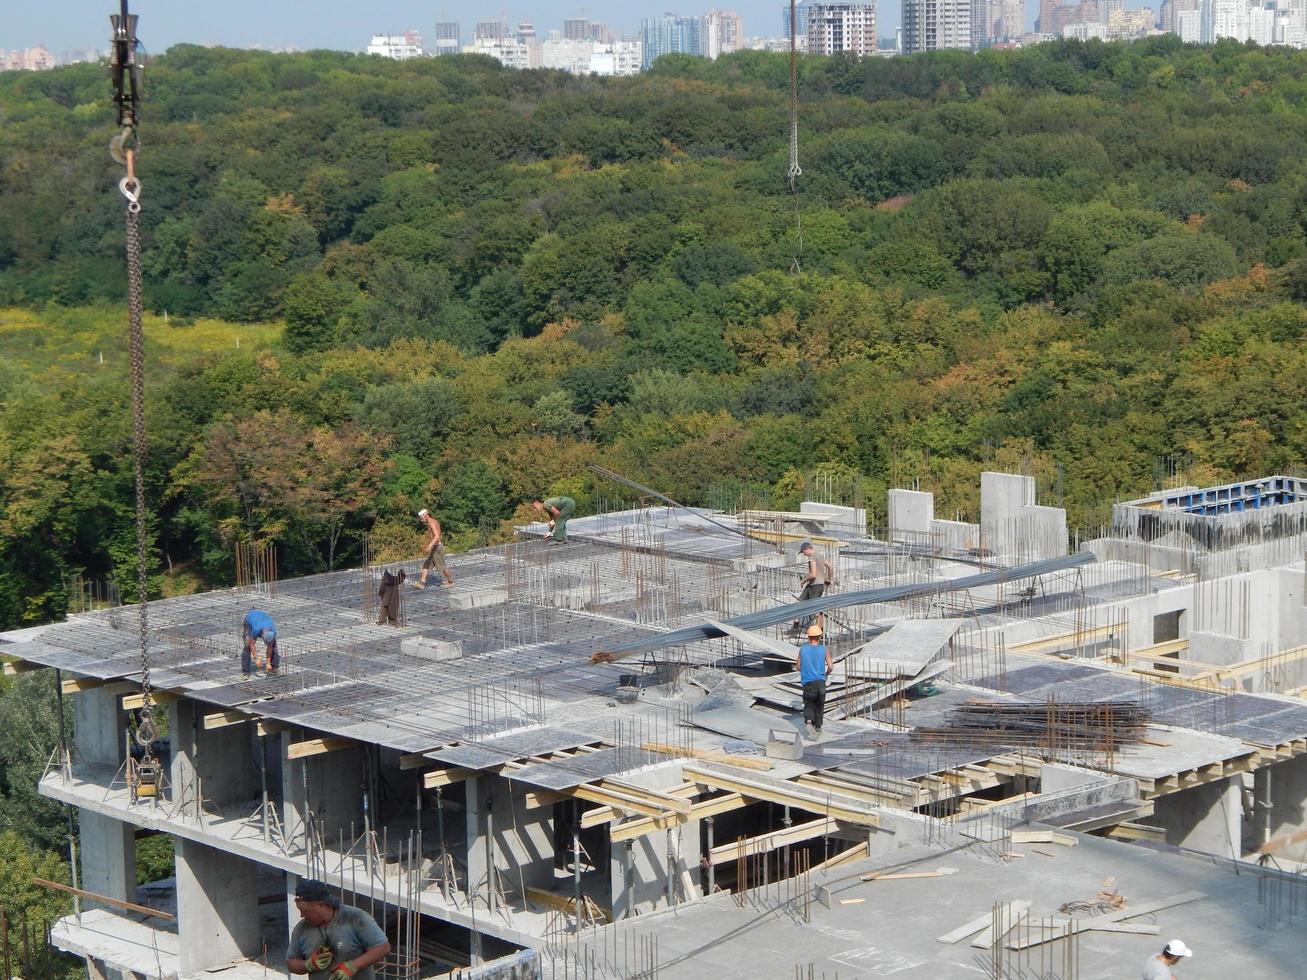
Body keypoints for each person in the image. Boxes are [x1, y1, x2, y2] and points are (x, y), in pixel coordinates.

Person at [287, 878, 391, 980]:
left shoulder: (355, 918)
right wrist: (308, 964)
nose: (301, 915)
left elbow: (383, 947)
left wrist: (352, 967)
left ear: (321, 905)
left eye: (305, 911)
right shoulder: (301, 929)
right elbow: (291, 963)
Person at [794, 623, 833, 738]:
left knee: (809, 703)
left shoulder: (803, 649)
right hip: (821, 682)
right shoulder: (824, 650)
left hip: (808, 682)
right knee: (819, 705)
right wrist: (825, 674)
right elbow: (831, 666)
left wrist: (806, 670)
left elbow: (798, 666)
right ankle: (818, 727)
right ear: (820, 637)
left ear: (808, 637)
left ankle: (809, 722)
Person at [793, 541, 833, 632]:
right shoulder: (820, 556)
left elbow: (813, 574)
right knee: (799, 603)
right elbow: (830, 567)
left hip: (814, 586)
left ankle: (814, 631)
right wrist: (829, 579)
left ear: (807, 549)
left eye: (803, 552)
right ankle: (796, 625)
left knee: (813, 609)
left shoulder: (812, 557)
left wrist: (803, 580)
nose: (804, 554)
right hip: (817, 585)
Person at [413, 509, 454, 589]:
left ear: (426, 515)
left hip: (436, 547)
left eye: (422, 518)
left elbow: (437, 536)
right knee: (427, 564)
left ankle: (451, 582)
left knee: (442, 566)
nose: (421, 520)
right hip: (435, 547)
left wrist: (430, 545)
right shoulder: (433, 521)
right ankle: (422, 583)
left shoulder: (432, 523)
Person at [241, 609, 279, 678]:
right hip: (250, 619)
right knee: (247, 645)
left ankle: (273, 667)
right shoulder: (256, 629)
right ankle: (245, 672)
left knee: (273, 646)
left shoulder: (273, 631)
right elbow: (252, 644)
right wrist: (257, 658)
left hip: (263, 618)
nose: (267, 644)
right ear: (262, 635)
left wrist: (268, 662)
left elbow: (270, 647)